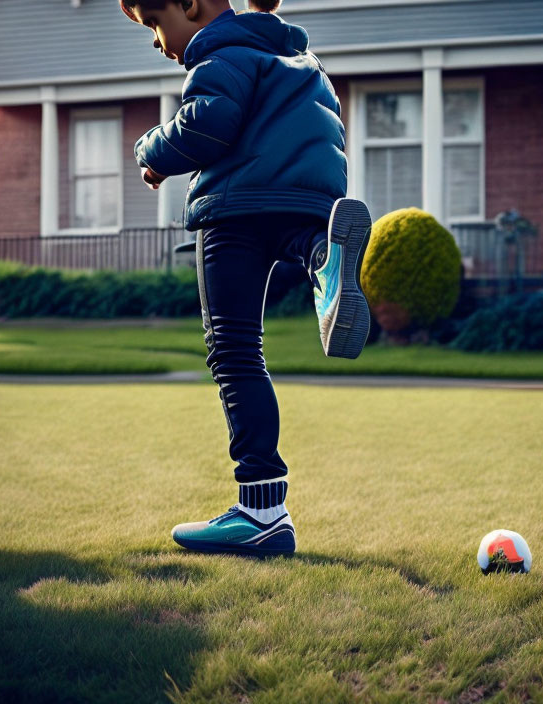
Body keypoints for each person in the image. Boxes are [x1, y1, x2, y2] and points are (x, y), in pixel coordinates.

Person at [120, 0, 373, 556]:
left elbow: (206, 126)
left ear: (191, 6)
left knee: (234, 352)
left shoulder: (220, 52)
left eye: (156, 25)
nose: (158, 43)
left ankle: (261, 511)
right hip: (304, 195)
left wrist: (152, 152)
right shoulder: (298, 57)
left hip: (233, 209)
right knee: (298, 240)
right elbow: (326, 126)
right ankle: (323, 258)